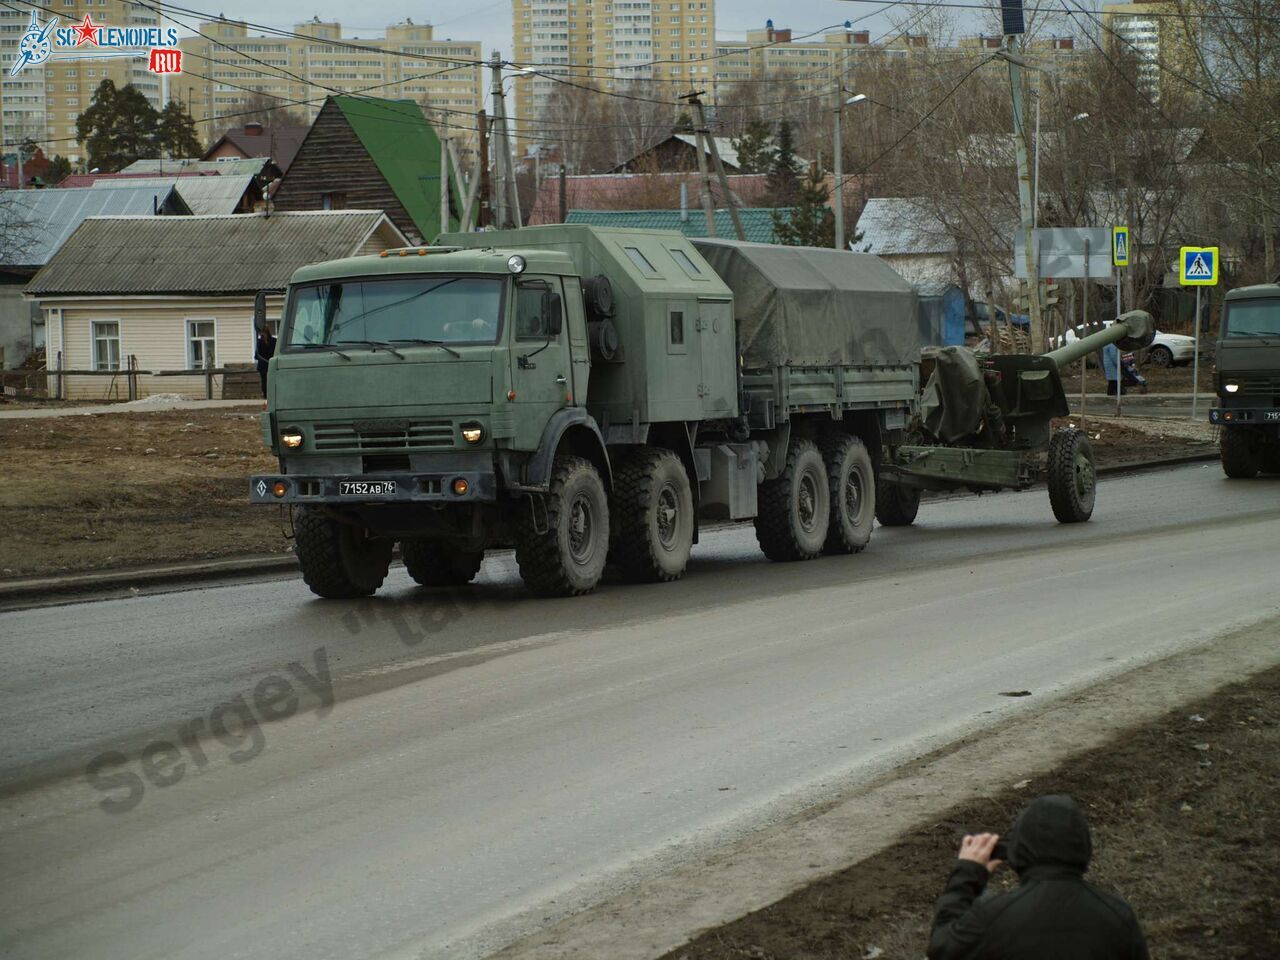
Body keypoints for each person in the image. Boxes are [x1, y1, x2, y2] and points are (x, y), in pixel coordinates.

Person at [927, 794, 1148, 960]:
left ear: (1019, 850)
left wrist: (967, 874)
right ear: (1083, 847)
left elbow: (941, 948)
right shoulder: (1118, 916)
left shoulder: (992, 916)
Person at [255, 326, 277, 398]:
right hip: (270, 364)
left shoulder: (260, 342)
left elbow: (256, 356)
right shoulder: (273, 341)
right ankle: (270, 395)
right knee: (270, 380)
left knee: (265, 381)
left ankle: (266, 396)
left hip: (264, 365)